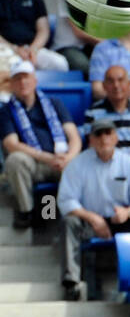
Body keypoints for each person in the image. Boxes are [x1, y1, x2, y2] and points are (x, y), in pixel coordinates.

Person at [56, 120, 130, 301]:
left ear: (116, 137)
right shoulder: (77, 164)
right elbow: (65, 200)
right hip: (90, 220)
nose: (104, 139)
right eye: (99, 134)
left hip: (124, 220)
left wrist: (128, 212)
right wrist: (92, 218)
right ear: (91, 139)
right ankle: (71, 283)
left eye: (108, 133)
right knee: (68, 223)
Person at [0, 61, 80, 229]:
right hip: (33, 163)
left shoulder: (54, 103)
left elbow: (73, 136)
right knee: (15, 160)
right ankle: (26, 211)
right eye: (18, 79)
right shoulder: (6, 110)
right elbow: (11, 144)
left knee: (77, 164)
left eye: (26, 78)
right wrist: (47, 157)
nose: (23, 83)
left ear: (35, 80)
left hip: (60, 160)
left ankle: (73, 216)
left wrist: (68, 157)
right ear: (12, 84)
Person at [0, 0, 68, 72]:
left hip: (33, 49)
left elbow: (43, 29)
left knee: (60, 64)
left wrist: (33, 49)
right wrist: (14, 49)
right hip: (5, 50)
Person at [83, 65, 130, 164]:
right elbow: (92, 147)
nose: (116, 85)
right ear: (104, 86)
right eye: (111, 81)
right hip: (105, 166)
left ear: (129, 84)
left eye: (120, 80)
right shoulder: (92, 113)